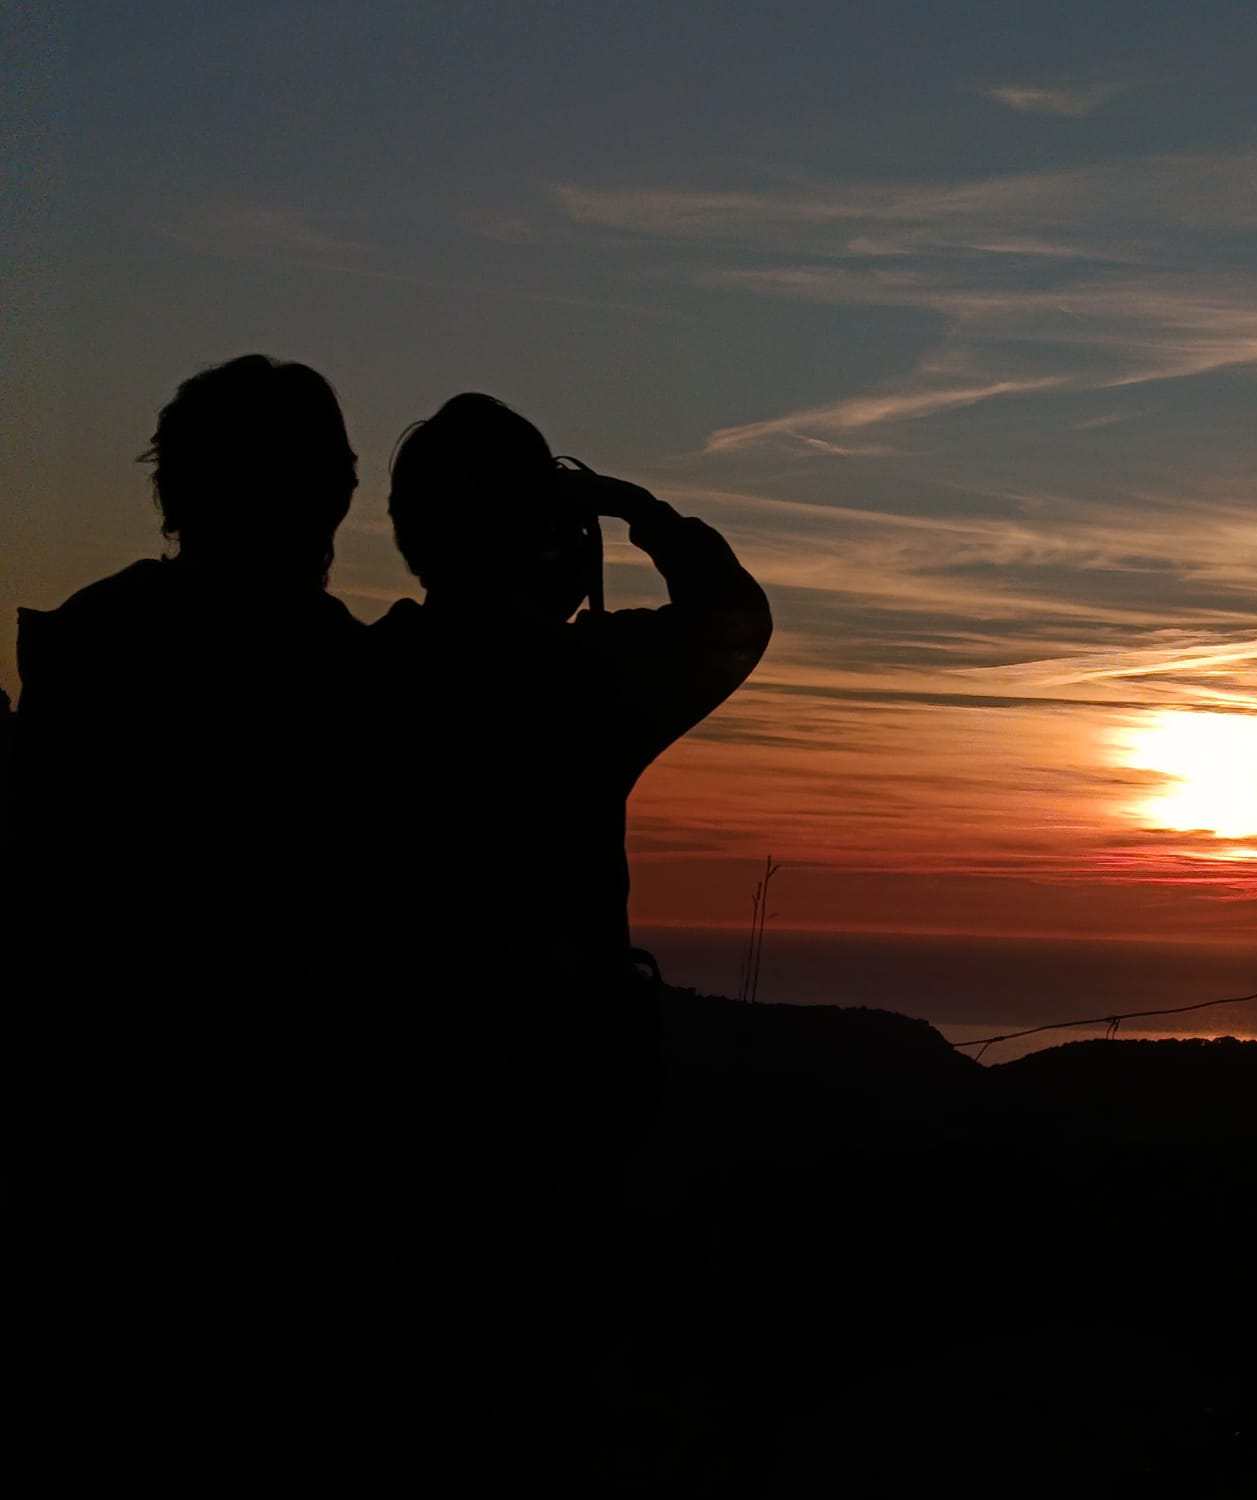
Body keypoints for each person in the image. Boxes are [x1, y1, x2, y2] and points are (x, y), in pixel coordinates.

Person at [371, 391, 772, 1479]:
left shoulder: (360, 681)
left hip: (387, 1127)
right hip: (558, 1116)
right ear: (543, 540)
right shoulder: (582, 683)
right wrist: (637, 510)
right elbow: (734, 618)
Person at [4, 354, 373, 1485]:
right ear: (331, 496)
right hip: (279, 1209)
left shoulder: (91, 649)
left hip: (98, 1191)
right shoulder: (361, 688)